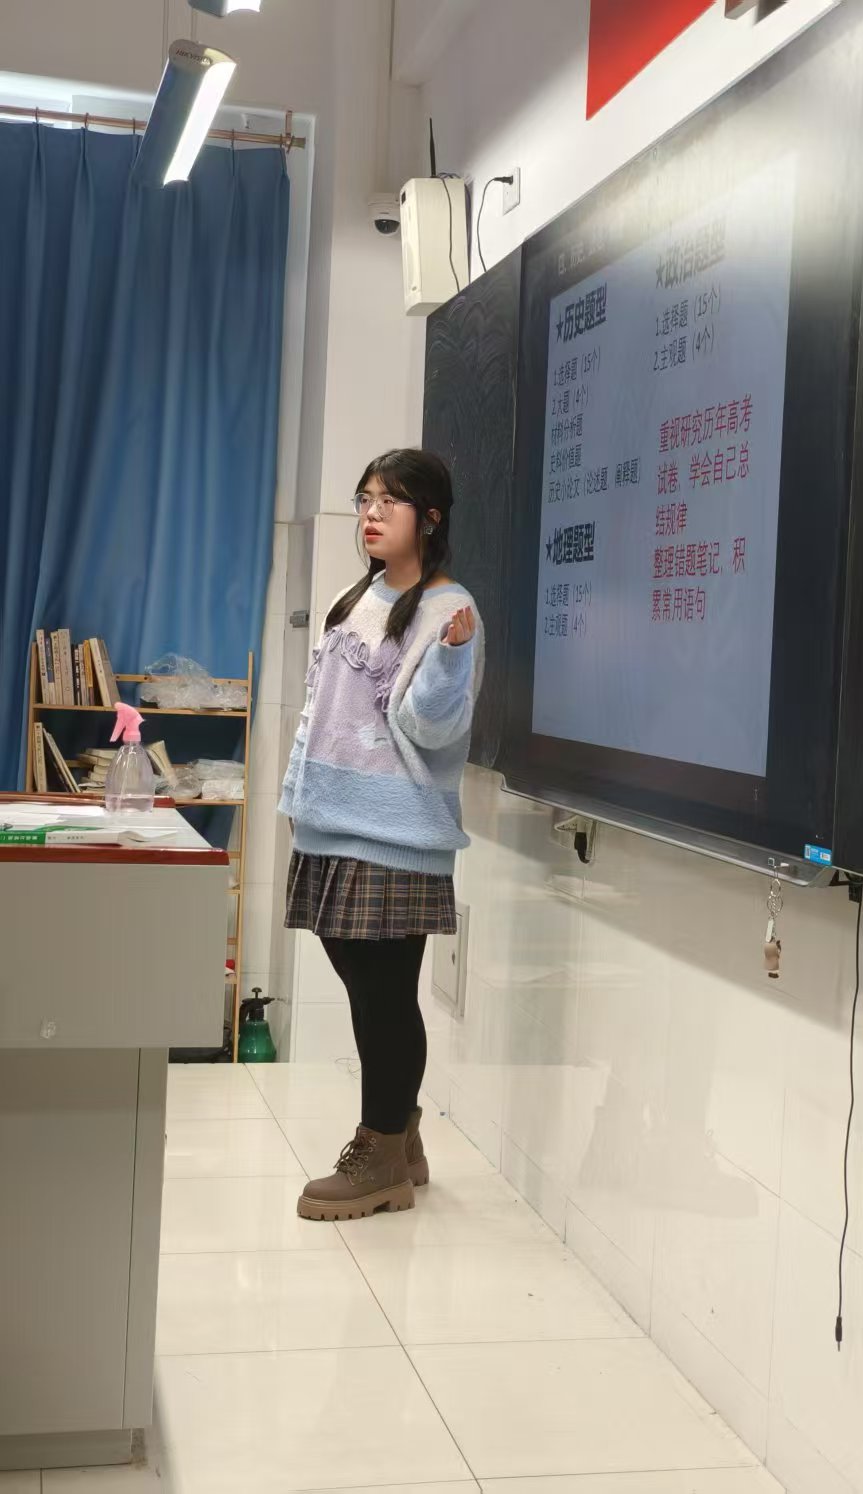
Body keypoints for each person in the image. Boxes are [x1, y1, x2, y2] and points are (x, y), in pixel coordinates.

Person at [280, 448, 482, 1222]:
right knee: (367, 988)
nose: (369, 513)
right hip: (330, 822)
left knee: (384, 996)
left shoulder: (449, 610)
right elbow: (318, 710)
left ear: (428, 518)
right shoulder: (351, 597)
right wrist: (298, 794)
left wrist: (452, 659)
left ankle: (383, 1151)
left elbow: (431, 729)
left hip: (393, 830)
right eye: (364, 498)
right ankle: (403, 1133)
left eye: (388, 502)